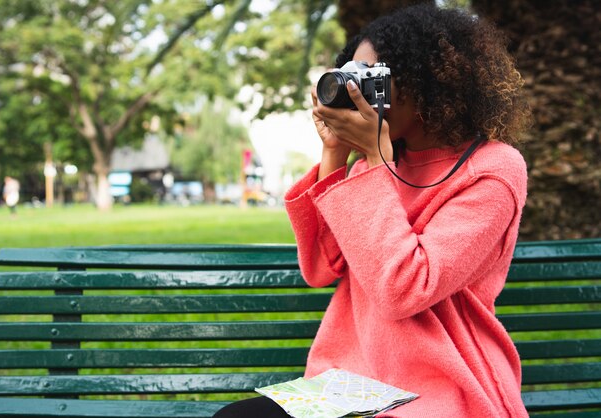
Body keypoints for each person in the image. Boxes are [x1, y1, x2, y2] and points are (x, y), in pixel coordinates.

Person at [213, 4, 530, 417]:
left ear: (429, 81)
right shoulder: (373, 168)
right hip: (354, 381)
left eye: (372, 78)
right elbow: (320, 268)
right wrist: (335, 154)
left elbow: (405, 289)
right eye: (352, 75)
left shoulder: (492, 169)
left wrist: (376, 161)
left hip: (442, 386)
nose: (358, 93)